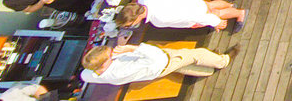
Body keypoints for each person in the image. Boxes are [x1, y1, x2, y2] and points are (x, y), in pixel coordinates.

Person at [80, 43, 237, 86]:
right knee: (196, 54)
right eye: (109, 56)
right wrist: (133, 48)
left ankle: (208, 70)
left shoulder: (92, 74)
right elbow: (156, 56)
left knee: (184, 68)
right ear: (104, 63)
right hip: (162, 63)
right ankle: (223, 61)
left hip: (155, 71)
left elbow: (84, 75)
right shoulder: (120, 71)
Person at [114, 0, 247, 32]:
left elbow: (192, 17)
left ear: (136, 18)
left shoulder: (158, 19)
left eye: (130, 24)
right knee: (211, 4)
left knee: (216, 13)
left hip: (196, 14)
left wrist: (215, 22)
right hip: (190, 1)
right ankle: (229, 5)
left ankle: (239, 13)